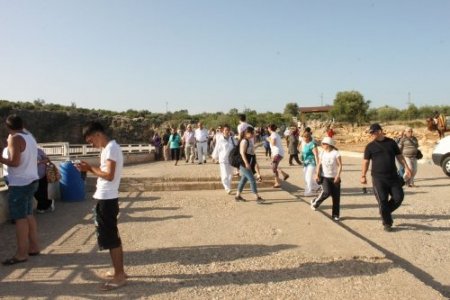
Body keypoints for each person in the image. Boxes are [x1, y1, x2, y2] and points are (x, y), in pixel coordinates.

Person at [75, 121, 127, 290]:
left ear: (98, 134)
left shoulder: (111, 148)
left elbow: (109, 175)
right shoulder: (108, 149)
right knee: (112, 236)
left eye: (91, 140)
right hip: (106, 197)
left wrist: (89, 168)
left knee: (111, 238)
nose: (91, 144)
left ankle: (119, 276)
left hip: (107, 198)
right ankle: (119, 271)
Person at [0, 115, 40, 265]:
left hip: (20, 183)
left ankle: (21, 254)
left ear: (8, 127)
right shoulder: (30, 136)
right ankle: (34, 247)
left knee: (20, 218)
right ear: (23, 124)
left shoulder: (14, 138)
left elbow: (14, 162)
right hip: (32, 180)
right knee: (28, 214)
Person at [361, 123, 412, 232]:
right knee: (382, 201)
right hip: (378, 178)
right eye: (370, 133)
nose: (371, 135)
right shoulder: (370, 146)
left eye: (372, 132)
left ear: (379, 131)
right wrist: (363, 175)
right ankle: (387, 223)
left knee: (399, 197)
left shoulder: (391, 143)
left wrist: (407, 168)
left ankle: (384, 211)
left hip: (393, 177)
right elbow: (365, 162)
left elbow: (399, 157)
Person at [311, 137, 342, 221]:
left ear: (329, 145)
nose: (322, 145)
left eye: (323, 144)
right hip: (325, 177)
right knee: (326, 192)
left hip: (335, 178)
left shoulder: (336, 153)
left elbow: (340, 165)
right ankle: (315, 203)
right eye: (322, 144)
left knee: (336, 197)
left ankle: (335, 215)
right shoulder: (322, 153)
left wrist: (338, 176)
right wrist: (317, 174)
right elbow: (319, 164)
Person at [235, 127, 263, 203]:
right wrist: (246, 163)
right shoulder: (244, 141)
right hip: (244, 163)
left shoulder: (249, 140)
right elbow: (242, 153)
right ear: (247, 133)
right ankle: (257, 196)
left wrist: (258, 146)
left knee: (243, 180)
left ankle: (237, 196)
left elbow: (251, 151)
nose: (254, 134)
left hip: (249, 162)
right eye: (252, 133)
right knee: (252, 179)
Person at [212, 124, 234, 194]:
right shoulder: (220, 140)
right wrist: (214, 157)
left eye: (228, 130)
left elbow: (236, 147)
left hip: (231, 159)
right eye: (225, 130)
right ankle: (227, 188)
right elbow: (216, 149)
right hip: (223, 159)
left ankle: (229, 186)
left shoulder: (232, 139)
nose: (227, 131)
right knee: (224, 174)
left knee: (230, 174)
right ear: (223, 131)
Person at [267, 124, 289, 188]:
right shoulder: (275, 134)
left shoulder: (273, 134)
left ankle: (277, 182)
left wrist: (268, 139)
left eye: (268, 128)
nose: (267, 129)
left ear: (270, 128)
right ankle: (284, 175)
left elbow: (273, 143)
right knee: (274, 166)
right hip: (277, 153)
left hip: (277, 153)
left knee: (274, 167)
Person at [35, 148, 55, 213]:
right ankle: (45, 205)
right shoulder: (24, 152)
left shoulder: (38, 150)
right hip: (32, 176)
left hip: (42, 174)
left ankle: (42, 207)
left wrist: (39, 162)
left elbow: (47, 159)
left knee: (43, 191)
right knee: (36, 192)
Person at [302, 131, 320, 197]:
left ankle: (309, 191)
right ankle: (317, 187)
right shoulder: (305, 144)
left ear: (307, 137)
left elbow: (316, 155)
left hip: (311, 163)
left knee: (308, 177)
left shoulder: (312, 144)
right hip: (306, 163)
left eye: (304, 137)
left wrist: (318, 164)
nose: (303, 139)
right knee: (305, 177)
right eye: (303, 137)